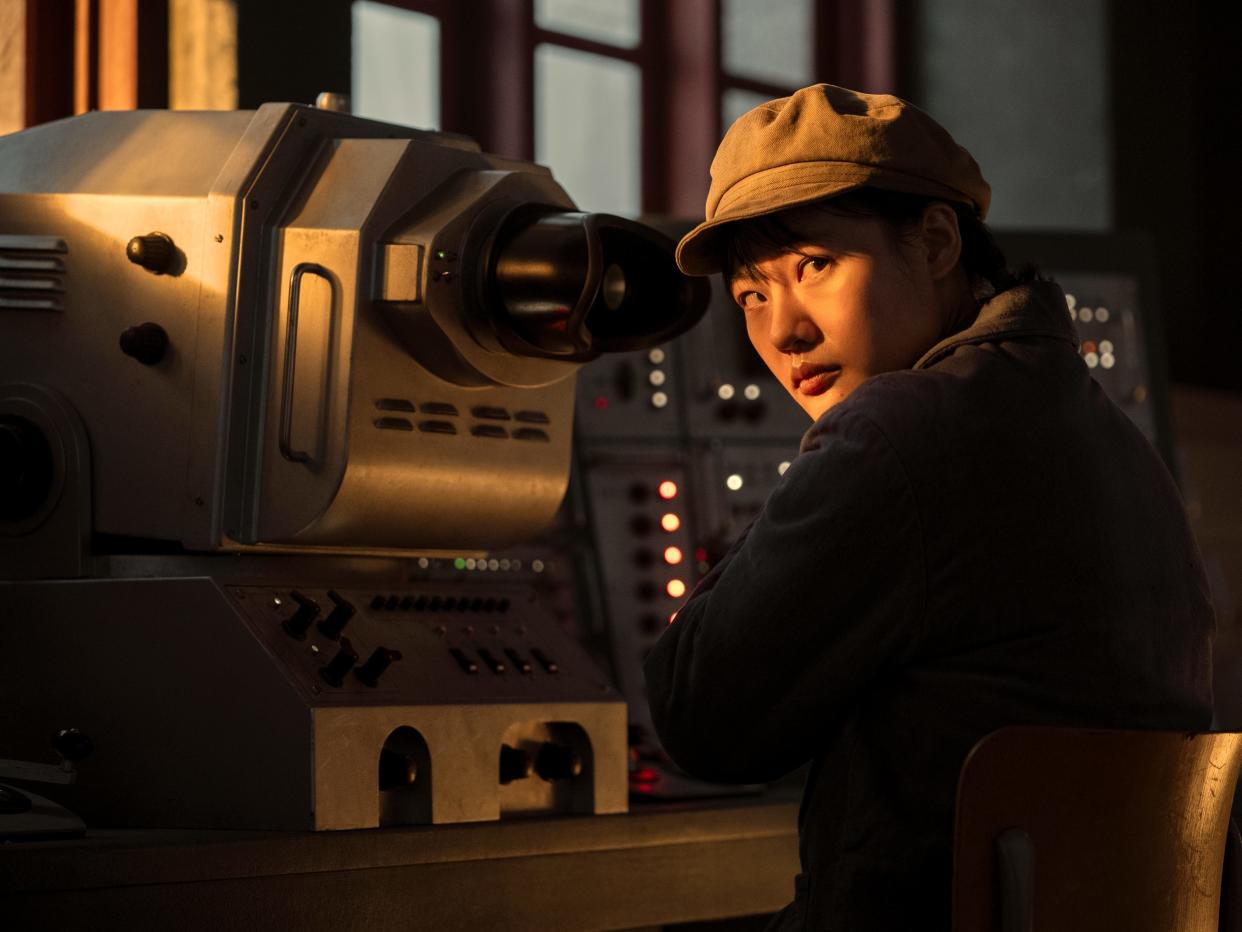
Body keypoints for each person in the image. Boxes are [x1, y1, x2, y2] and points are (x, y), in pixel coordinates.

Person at [642, 84, 1214, 930]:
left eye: (815, 266)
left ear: (937, 240)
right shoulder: (1112, 438)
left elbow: (699, 715)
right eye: (752, 295)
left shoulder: (894, 431)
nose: (784, 331)